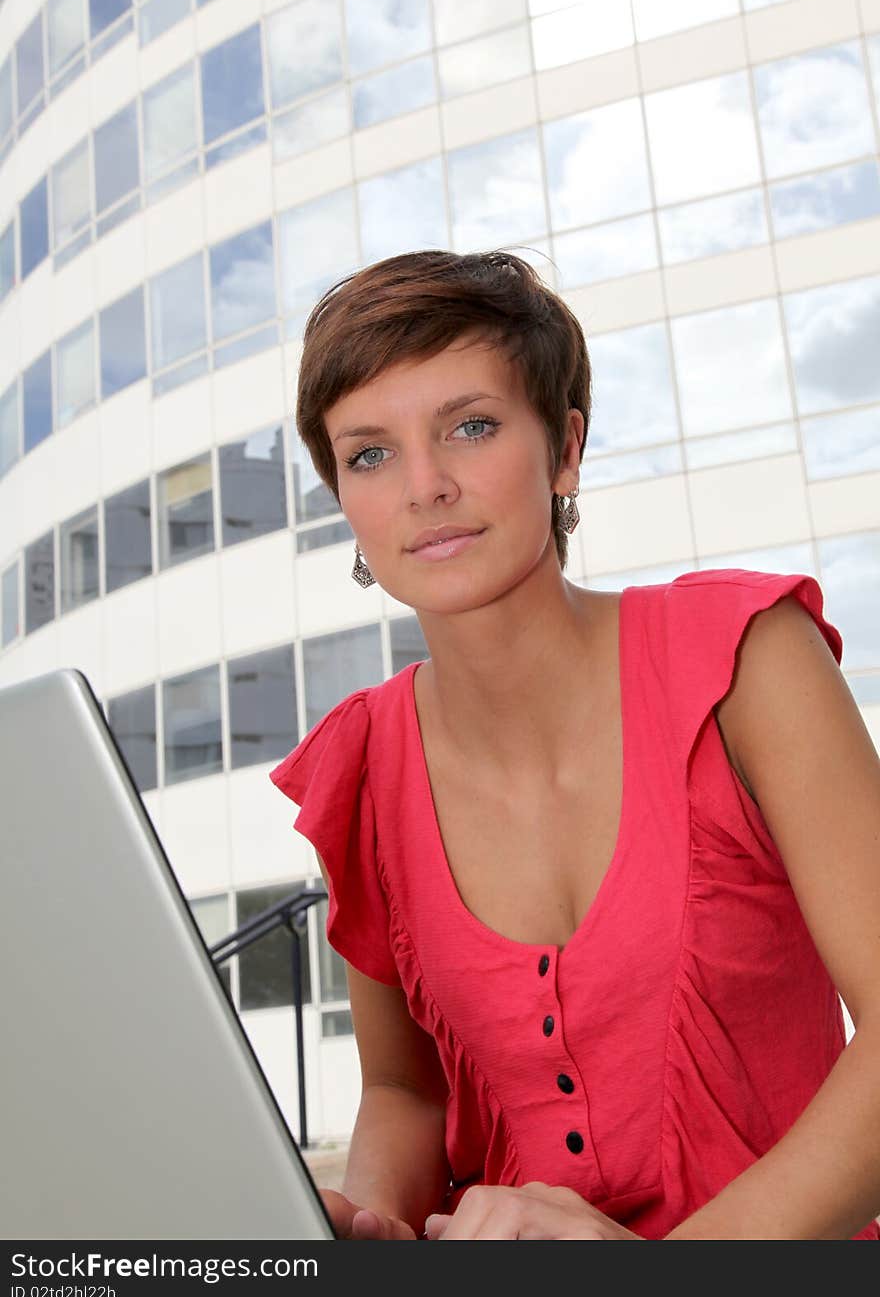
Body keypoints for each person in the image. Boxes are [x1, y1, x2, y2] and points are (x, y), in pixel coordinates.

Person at [270, 249, 880, 1240]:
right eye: (369, 452)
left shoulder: (744, 660)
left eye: (470, 426)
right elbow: (403, 1089)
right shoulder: (364, 762)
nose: (424, 485)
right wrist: (372, 1222)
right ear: (344, 499)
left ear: (563, 449)